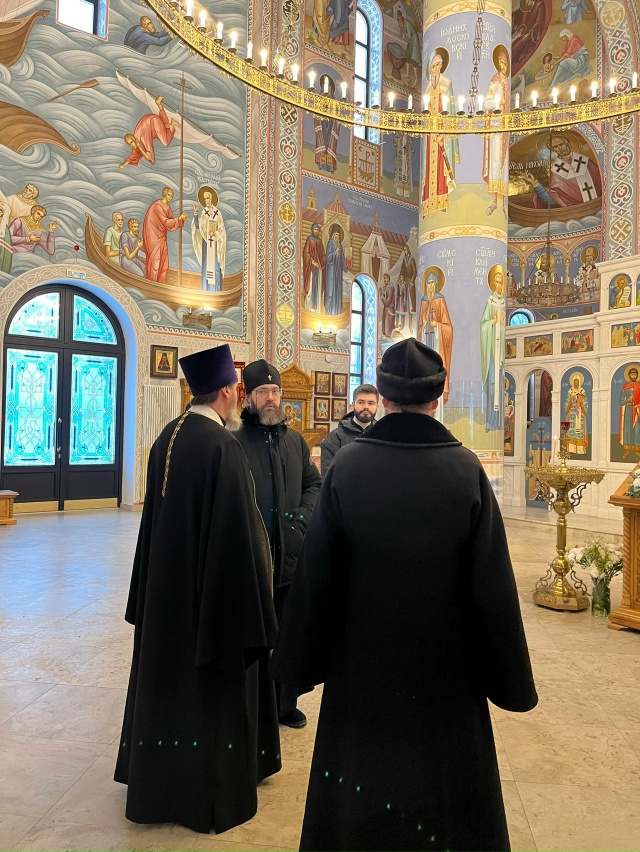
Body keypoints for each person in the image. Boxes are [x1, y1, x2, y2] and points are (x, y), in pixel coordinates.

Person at [271, 338, 537, 852]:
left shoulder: (347, 467)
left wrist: (298, 663)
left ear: (385, 398)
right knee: (448, 793)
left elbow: (317, 573)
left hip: (362, 667)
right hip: (447, 674)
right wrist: (509, 680)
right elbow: (492, 584)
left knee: (358, 783)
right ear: (437, 399)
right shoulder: (466, 471)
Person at [114, 344, 281, 834]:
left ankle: (159, 783)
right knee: (208, 696)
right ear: (228, 392)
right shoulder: (221, 446)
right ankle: (205, 794)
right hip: (208, 601)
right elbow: (237, 537)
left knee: (166, 685)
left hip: (167, 595)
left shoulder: (167, 435)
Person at [234, 360, 321, 728]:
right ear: (248, 397)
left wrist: (300, 519)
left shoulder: (295, 441)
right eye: (262, 392)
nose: (270, 398)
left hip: (289, 557)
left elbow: (313, 484)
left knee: (288, 635)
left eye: (275, 392)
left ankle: (284, 705)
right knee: (255, 637)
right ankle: (254, 709)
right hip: (252, 559)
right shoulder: (234, 442)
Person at [422, 51, 458, 215]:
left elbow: (449, 111)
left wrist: (443, 133)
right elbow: (427, 112)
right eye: (434, 66)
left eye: (438, 66)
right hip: (431, 135)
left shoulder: (446, 85)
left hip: (442, 132)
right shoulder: (429, 89)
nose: (436, 69)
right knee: (430, 166)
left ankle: (442, 200)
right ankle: (429, 203)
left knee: (442, 167)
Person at [522, 135, 601, 209]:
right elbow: (554, 201)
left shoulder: (584, 161)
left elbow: (602, 181)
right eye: (555, 147)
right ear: (552, 150)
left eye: (561, 144)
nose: (559, 148)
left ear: (567, 144)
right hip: (575, 209)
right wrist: (535, 183)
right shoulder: (556, 170)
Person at [320, 383, 378, 477]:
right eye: (361, 402)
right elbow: (328, 477)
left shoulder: (383, 435)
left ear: (377, 407)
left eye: (371, 403)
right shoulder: (334, 438)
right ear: (352, 405)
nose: (366, 407)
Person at [417, 271, 453, 405]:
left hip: (438, 342)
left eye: (433, 283)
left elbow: (448, 327)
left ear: (436, 285)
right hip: (426, 340)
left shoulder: (440, 299)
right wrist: (425, 325)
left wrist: (437, 325)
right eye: (428, 283)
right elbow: (420, 326)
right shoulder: (424, 301)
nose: (431, 286)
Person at [483, 49, 511, 216]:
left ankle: (504, 204)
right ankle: (494, 201)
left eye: (505, 63)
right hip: (495, 127)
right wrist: (498, 102)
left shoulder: (507, 83)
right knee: (495, 161)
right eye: (501, 63)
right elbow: (487, 102)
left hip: (505, 128)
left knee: (504, 163)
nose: (503, 66)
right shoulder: (495, 81)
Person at [119, 96, 179, 169]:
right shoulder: (136, 141)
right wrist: (123, 165)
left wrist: (140, 147)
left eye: (131, 142)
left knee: (165, 141)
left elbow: (149, 158)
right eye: (129, 144)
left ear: (133, 139)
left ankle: (172, 124)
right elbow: (133, 156)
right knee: (163, 130)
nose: (131, 145)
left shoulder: (143, 138)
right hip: (150, 125)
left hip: (153, 121)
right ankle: (158, 104)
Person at [142, 186, 188, 283]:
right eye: (168, 195)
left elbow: (171, 224)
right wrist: (179, 219)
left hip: (162, 237)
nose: (170, 197)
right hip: (153, 237)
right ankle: (152, 282)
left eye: (171, 196)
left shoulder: (167, 207)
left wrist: (180, 220)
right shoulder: (157, 206)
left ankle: (160, 283)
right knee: (155, 261)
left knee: (164, 263)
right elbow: (166, 222)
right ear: (164, 194)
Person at [480, 265, 505, 432]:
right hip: (491, 350)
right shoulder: (490, 301)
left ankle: (497, 423)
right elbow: (483, 325)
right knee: (491, 385)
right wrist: (493, 323)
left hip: (500, 351)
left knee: (499, 386)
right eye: (496, 282)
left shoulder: (503, 302)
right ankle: (490, 422)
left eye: (501, 282)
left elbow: (503, 326)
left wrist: (501, 326)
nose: (498, 285)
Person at [192, 185, 226, 292]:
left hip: (215, 246)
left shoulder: (218, 214)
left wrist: (215, 232)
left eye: (207, 198)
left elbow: (222, 231)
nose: (206, 200)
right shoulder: (204, 213)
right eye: (204, 199)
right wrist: (196, 215)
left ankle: (216, 290)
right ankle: (205, 290)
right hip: (207, 245)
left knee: (216, 268)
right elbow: (198, 227)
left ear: (211, 199)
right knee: (207, 268)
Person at [324, 226, 347, 315]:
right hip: (331, 271)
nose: (337, 236)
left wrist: (347, 264)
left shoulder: (339, 245)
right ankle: (329, 312)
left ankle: (336, 312)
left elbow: (342, 260)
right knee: (330, 291)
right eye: (336, 234)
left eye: (338, 235)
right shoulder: (330, 243)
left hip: (338, 273)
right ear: (333, 235)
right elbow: (327, 258)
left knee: (337, 292)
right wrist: (335, 252)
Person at [303, 223, 325, 311]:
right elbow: (306, 252)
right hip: (311, 268)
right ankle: (308, 307)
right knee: (311, 286)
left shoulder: (319, 241)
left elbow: (323, 254)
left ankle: (316, 309)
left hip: (318, 269)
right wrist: (312, 261)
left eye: (317, 230)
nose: (316, 231)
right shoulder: (309, 239)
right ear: (312, 230)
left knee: (317, 287)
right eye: (315, 229)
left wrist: (321, 263)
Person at [564, 371, 588, 455]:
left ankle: (580, 450)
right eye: (574, 382)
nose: (576, 384)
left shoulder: (582, 391)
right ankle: (571, 449)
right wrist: (570, 403)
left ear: (580, 382)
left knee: (579, 432)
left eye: (577, 382)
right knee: (571, 431)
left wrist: (580, 403)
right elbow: (566, 403)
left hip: (579, 414)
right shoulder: (570, 391)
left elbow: (586, 403)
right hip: (571, 414)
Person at [619, 366, 640, 459]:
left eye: (635, 374)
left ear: (637, 375)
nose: (633, 376)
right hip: (628, 411)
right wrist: (628, 400)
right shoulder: (625, 388)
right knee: (627, 430)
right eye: (632, 374)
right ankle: (627, 449)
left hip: (637, 411)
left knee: (637, 430)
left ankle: (637, 449)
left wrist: (638, 405)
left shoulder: (639, 386)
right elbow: (620, 402)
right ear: (629, 375)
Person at [396, 10, 421, 88]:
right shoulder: (401, 25)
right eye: (398, 20)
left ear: (403, 19)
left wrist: (403, 30)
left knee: (413, 60)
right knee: (407, 58)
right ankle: (407, 73)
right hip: (410, 42)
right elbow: (399, 35)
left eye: (400, 20)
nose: (399, 21)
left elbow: (409, 38)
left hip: (414, 41)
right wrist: (399, 28)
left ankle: (416, 79)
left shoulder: (407, 24)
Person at [379, 274, 396, 338]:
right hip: (386, 310)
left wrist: (381, 295)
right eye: (384, 278)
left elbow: (387, 303)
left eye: (386, 278)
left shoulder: (390, 289)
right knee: (384, 332)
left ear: (389, 279)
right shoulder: (386, 288)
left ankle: (399, 335)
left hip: (389, 310)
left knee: (388, 333)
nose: (385, 280)